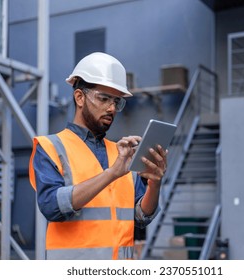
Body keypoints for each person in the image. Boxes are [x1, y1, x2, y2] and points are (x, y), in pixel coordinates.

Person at [29, 52, 168, 260]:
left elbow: (140, 217)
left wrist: (154, 184)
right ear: (79, 97)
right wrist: (111, 173)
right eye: (104, 99)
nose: (111, 108)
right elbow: (51, 206)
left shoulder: (121, 154)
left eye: (117, 102)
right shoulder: (50, 147)